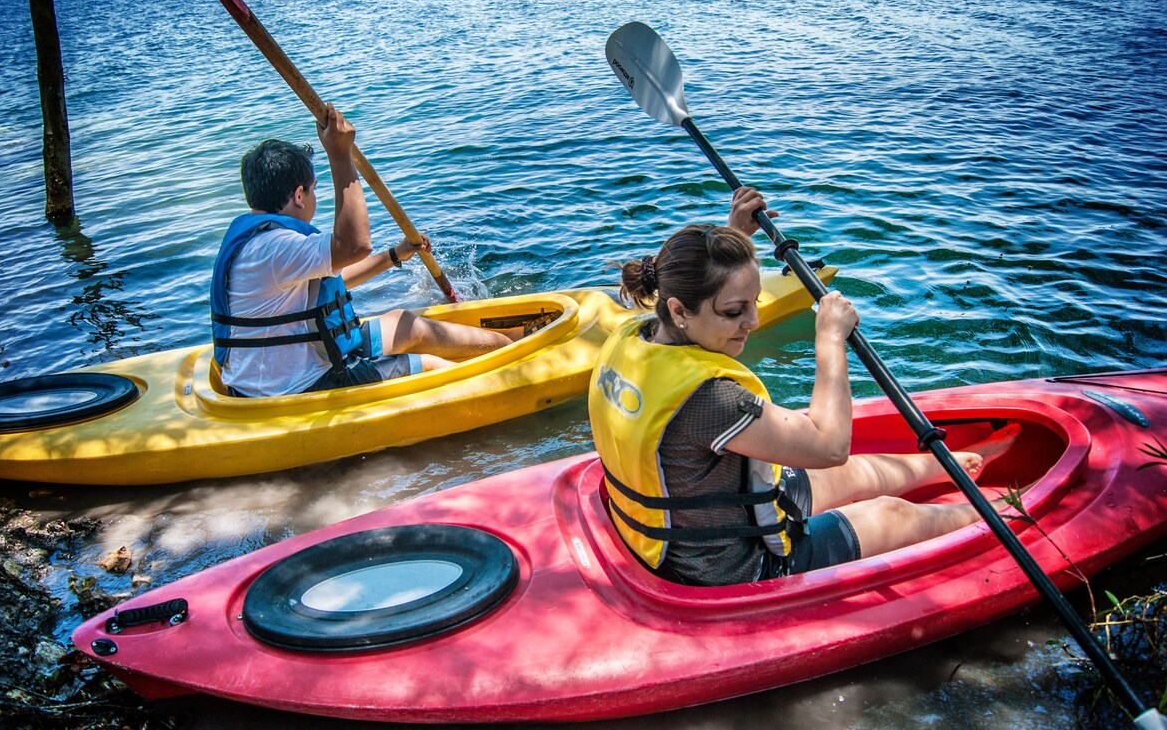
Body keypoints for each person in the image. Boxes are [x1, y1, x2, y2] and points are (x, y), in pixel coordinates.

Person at [587, 187, 1019, 586]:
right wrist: (829, 337)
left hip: (691, 517)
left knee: (856, 475)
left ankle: (960, 463)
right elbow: (830, 447)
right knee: (891, 514)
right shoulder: (710, 398)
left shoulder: (634, 334)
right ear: (681, 308)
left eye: (752, 303)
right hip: (728, 565)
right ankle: (1005, 515)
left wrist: (735, 237)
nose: (752, 323)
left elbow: (694, 287)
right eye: (734, 311)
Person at [210, 103, 529, 397]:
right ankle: (519, 382)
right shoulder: (274, 248)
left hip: (303, 361)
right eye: (313, 191)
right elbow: (355, 246)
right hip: (296, 386)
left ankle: (514, 344)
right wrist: (340, 156)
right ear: (299, 194)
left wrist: (395, 255)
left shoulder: (263, 242)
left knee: (407, 324)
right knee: (427, 365)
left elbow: (333, 281)